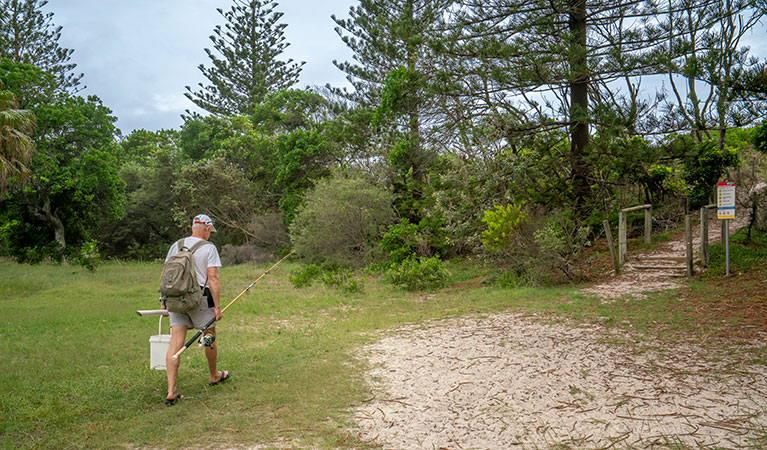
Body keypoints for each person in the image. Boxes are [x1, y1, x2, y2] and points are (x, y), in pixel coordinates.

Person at [163, 214, 230, 405]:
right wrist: (217, 307)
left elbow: (166, 274)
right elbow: (213, 278)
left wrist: (163, 300)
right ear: (207, 229)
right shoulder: (209, 248)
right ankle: (214, 376)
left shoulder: (176, 245)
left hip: (175, 299)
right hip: (199, 300)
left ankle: (171, 390)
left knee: (175, 343)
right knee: (209, 337)